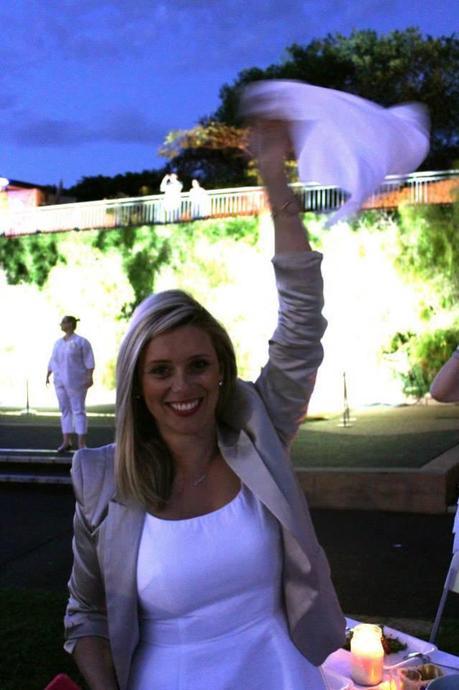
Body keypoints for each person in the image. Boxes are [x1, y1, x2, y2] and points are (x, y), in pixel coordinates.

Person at [64, 119, 346, 690]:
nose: (182, 387)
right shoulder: (98, 477)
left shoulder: (256, 428)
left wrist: (274, 178)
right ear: (137, 386)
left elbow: (300, 325)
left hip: (283, 673)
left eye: (199, 365)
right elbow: (86, 614)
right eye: (160, 371)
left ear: (221, 370)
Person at [46, 316, 95, 452]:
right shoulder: (58, 343)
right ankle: (66, 441)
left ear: (70, 324)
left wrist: (90, 376)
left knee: (78, 410)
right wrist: (48, 373)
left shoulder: (81, 342)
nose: (61, 324)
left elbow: (89, 359)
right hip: (59, 379)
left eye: (63, 322)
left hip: (76, 380)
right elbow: (53, 359)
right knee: (65, 410)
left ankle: (81, 443)